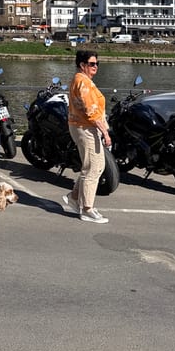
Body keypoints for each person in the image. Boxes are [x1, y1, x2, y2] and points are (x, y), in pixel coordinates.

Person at [62, 50, 112, 224]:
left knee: (94, 166)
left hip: (84, 127)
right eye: (92, 64)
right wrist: (105, 132)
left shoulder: (83, 80)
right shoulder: (82, 82)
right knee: (93, 167)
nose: (95, 66)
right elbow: (91, 111)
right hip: (86, 128)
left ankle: (75, 198)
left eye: (97, 63)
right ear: (82, 65)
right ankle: (86, 209)